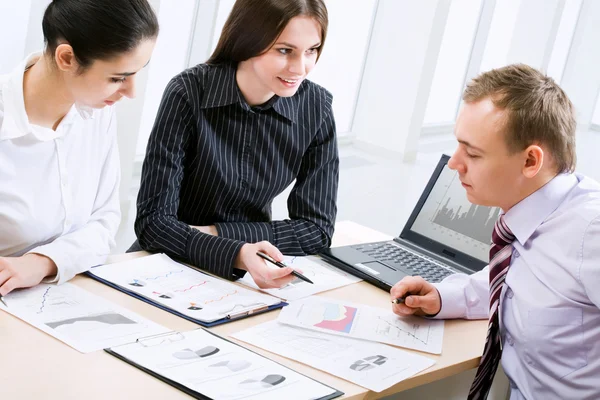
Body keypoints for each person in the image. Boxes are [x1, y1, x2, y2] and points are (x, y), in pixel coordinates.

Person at [391, 64, 600, 400]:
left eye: (472, 153)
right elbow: (521, 279)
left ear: (531, 161)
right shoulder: (530, 216)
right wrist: (444, 297)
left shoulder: (590, 234)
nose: (454, 163)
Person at [133, 0, 339, 289]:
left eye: (311, 51)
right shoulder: (188, 92)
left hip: (253, 273)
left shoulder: (316, 108)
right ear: (248, 39)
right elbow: (153, 225)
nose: (300, 68)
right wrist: (238, 252)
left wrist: (215, 235)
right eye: (284, 50)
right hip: (167, 260)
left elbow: (316, 230)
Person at [0, 0, 159, 296]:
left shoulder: (97, 113)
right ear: (67, 58)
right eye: (117, 78)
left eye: (137, 72)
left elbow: (104, 222)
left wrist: (41, 262)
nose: (131, 91)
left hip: (67, 294)